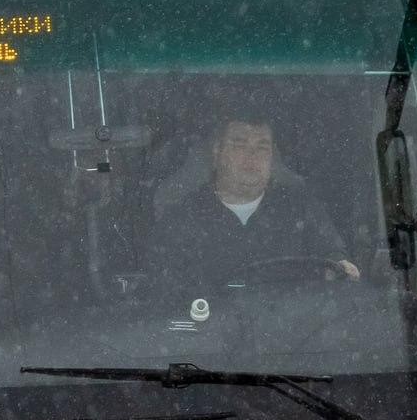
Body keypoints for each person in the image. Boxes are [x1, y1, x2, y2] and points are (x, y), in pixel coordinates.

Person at [145, 112, 358, 297]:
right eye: (239, 145)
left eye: (262, 147)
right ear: (217, 152)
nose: (252, 156)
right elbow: (166, 298)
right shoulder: (181, 220)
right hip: (208, 337)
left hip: (298, 336)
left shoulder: (300, 210)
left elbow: (334, 263)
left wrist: (342, 269)